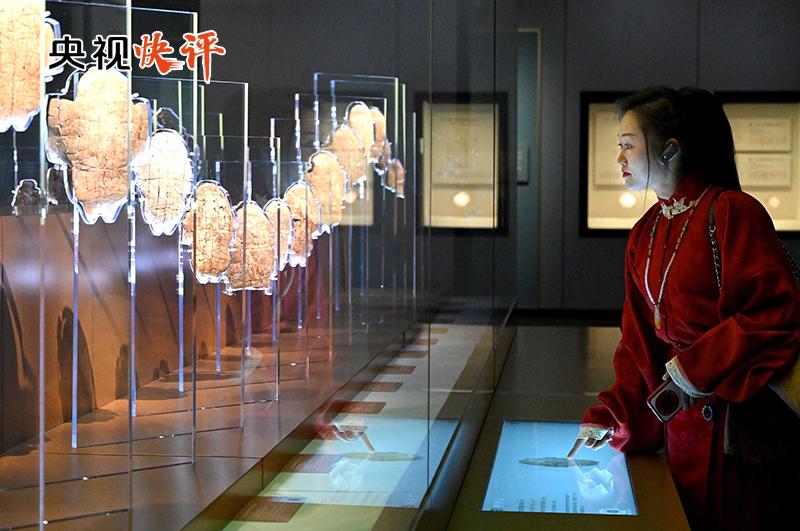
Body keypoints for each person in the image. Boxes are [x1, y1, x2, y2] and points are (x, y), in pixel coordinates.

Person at [567, 86, 799, 530]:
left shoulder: (732, 212)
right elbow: (638, 343)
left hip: (735, 427)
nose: (619, 158)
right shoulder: (646, 231)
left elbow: (772, 313)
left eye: (628, 145)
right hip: (681, 426)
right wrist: (612, 415)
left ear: (670, 149)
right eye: (619, 146)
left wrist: (696, 367)